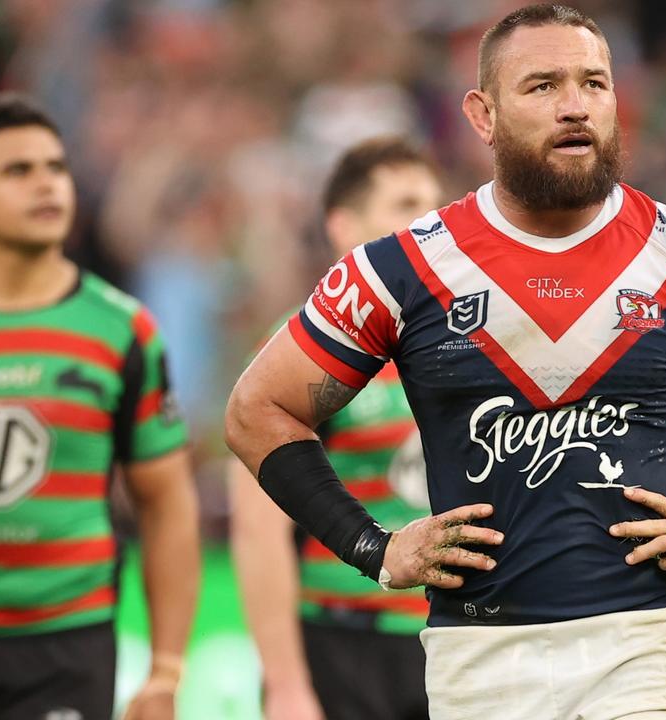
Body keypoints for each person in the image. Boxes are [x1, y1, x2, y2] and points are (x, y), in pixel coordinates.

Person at [224, 5, 666, 720]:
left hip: (646, 648)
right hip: (478, 660)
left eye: (594, 84)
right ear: (483, 114)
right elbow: (257, 409)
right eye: (542, 86)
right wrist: (373, 549)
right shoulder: (402, 269)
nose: (574, 106)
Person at [0, 92, 199, 719]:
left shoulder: (121, 330)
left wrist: (166, 671)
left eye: (56, 168)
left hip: (63, 649)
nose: (46, 185)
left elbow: (166, 504)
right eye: (18, 171)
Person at [230, 136, 443, 720]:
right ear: (344, 228)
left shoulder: (474, 345)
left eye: (435, 209)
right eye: (405, 206)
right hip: (349, 648)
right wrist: (287, 685)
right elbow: (259, 533)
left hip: (460, 636)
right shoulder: (303, 357)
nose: (428, 226)